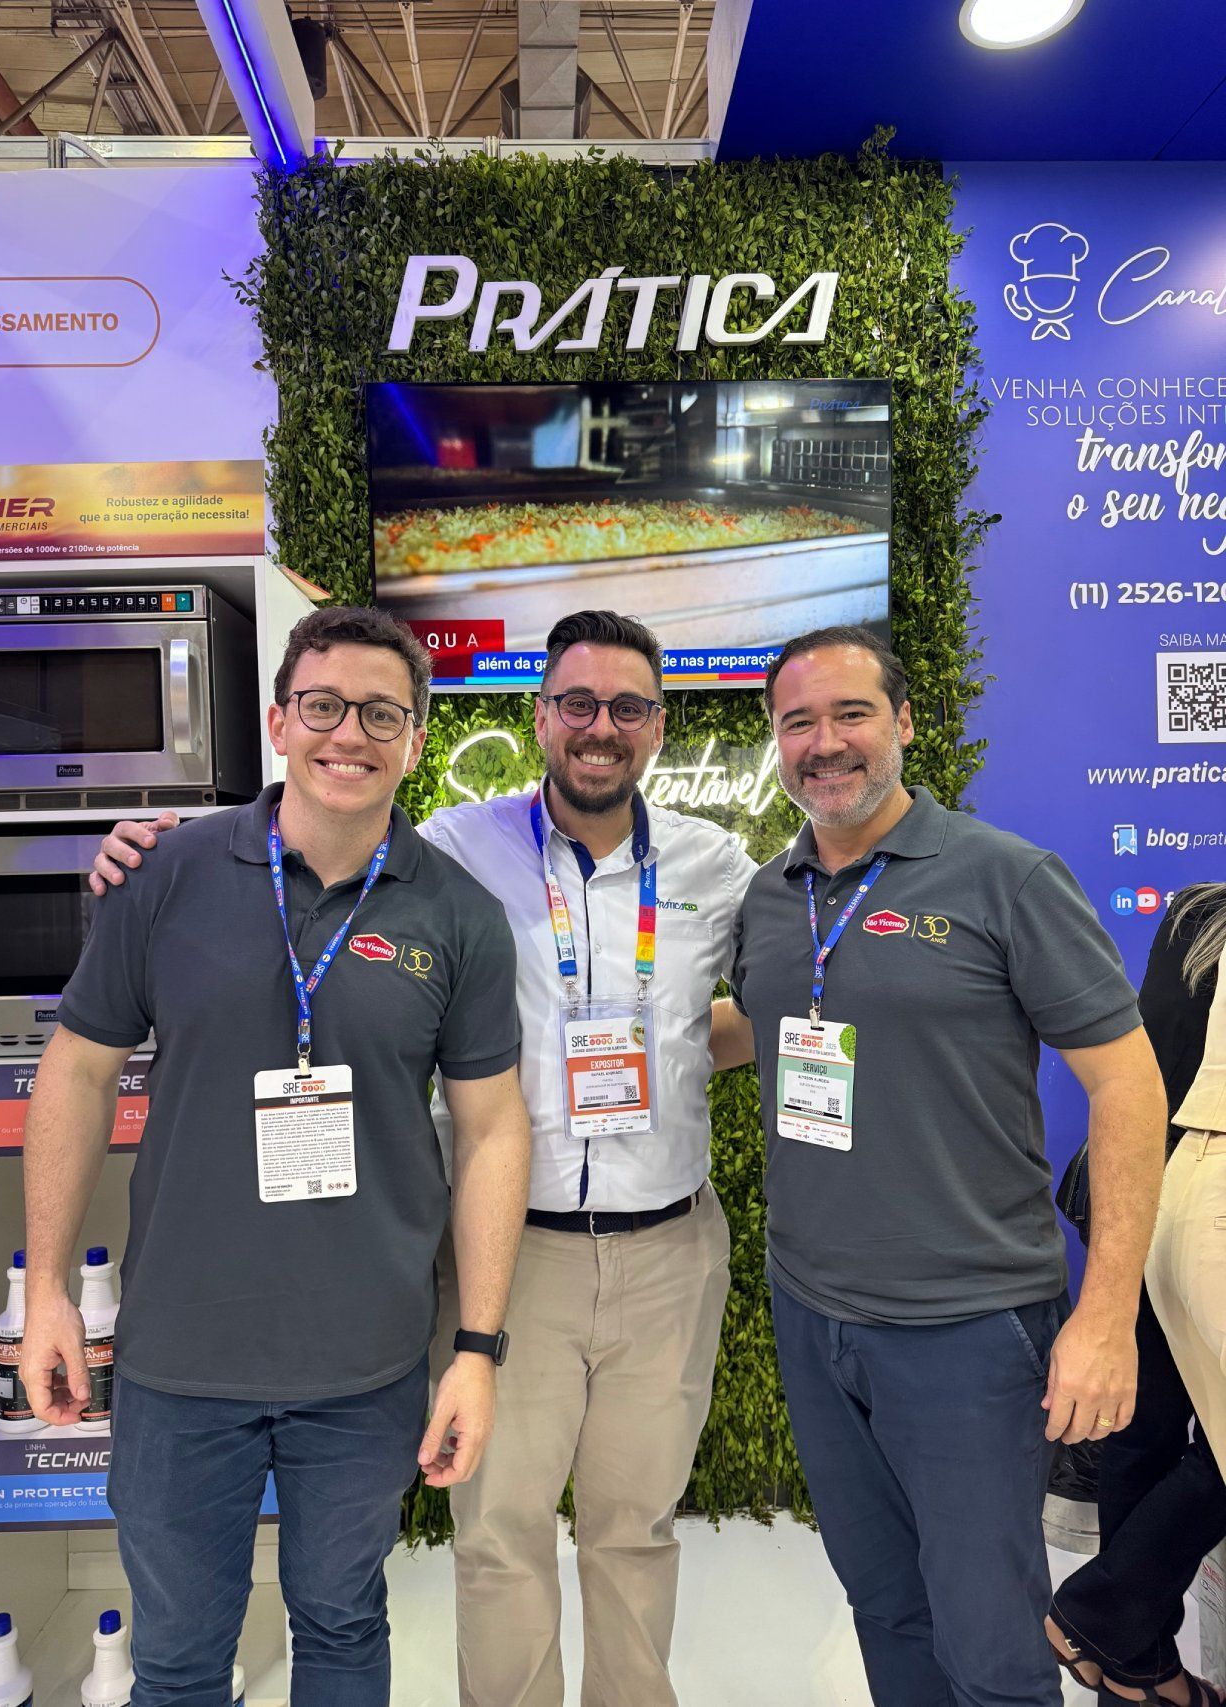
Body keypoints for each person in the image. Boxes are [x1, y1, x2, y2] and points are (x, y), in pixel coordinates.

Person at [93, 607, 755, 1707]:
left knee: (634, 1532)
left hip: (667, 1247)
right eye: (577, 703)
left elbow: (774, 1008)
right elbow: (302, 838)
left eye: (628, 707)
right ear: (538, 717)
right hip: (512, 1250)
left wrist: (678, 1050)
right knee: (496, 1538)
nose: (601, 727)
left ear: (657, 725)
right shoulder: (449, 849)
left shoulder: (718, 865)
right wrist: (138, 850)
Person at [25, 606, 531, 1707]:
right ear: (278, 720)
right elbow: (75, 1070)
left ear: (413, 736)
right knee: (177, 1658)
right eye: (322, 705)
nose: (348, 733)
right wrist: (50, 1293)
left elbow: (493, 1128)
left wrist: (478, 1347)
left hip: (364, 1368)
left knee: (343, 1625)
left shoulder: (458, 917)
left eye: (381, 713)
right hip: (178, 1363)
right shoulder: (168, 874)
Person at [719, 624, 1168, 1707]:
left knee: (988, 1640)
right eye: (797, 722)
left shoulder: (1003, 878)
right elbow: (761, 1024)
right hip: (812, 1312)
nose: (824, 743)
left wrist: (1103, 1317)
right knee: (884, 1604)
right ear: (773, 742)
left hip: (965, 1328)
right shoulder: (770, 896)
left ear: (903, 723)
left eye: (849, 713)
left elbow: (1127, 1087)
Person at [1047, 886, 1226, 1707]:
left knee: (1142, 1431)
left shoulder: (1195, 911)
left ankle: (1135, 1666)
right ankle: (1103, 1612)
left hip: (1142, 1192)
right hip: (1200, 1198)